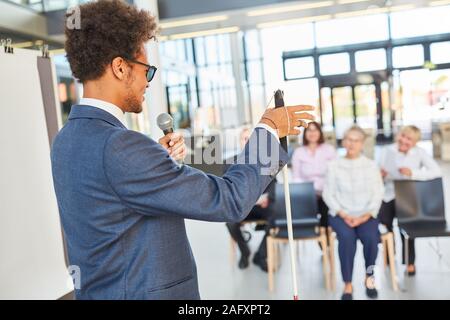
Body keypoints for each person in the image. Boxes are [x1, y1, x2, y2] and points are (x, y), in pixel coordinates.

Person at [50, 0, 314, 299]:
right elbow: (229, 201)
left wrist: (153, 159)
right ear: (120, 67)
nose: (148, 83)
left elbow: (113, 203)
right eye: (146, 70)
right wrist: (267, 129)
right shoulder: (121, 147)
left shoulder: (66, 140)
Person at [322, 126, 384, 300]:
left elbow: (378, 193)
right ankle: (348, 284)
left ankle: (369, 278)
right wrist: (344, 214)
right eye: (348, 139)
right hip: (341, 214)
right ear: (343, 141)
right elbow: (328, 193)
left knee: (372, 238)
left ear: (362, 143)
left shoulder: (371, 165)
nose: (351, 143)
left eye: (356, 140)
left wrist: (365, 216)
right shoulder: (333, 166)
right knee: (347, 239)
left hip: (366, 214)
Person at [378, 125, 441, 276]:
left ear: (415, 142)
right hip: (388, 194)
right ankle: (389, 257)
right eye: (403, 136)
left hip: (408, 196)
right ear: (398, 136)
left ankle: (410, 262)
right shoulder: (387, 150)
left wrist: (413, 172)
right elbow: (377, 171)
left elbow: (436, 172)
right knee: (385, 226)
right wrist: (380, 174)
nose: (404, 141)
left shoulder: (420, 153)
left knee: (406, 228)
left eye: (409, 139)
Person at [226, 128, 277, 272]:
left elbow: (274, 184)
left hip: (263, 206)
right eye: (245, 139)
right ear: (240, 142)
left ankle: (261, 255)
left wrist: (267, 197)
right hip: (241, 207)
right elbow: (228, 190)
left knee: (276, 216)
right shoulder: (230, 163)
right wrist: (251, 199)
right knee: (230, 222)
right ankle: (245, 251)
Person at [291, 121, 336, 228]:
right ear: (305, 133)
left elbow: (335, 173)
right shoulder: (299, 152)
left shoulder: (329, 150)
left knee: (326, 207)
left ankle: (325, 237)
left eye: (315, 130)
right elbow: (296, 177)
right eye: (309, 130)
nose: (312, 133)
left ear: (320, 132)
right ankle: (318, 233)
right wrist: (308, 191)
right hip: (308, 193)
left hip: (326, 191)